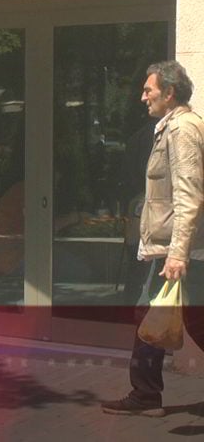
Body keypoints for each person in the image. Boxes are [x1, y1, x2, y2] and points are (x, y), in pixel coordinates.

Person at [102, 60, 204, 417]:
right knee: (154, 315)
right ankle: (145, 394)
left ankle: (145, 395)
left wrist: (177, 254)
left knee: (186, 320)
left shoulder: (182, 129)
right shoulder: (172, 127)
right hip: (174, 247)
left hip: (182, 250)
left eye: (149, 90)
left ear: (169, 92)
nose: (142, 96)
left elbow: (188, 195)